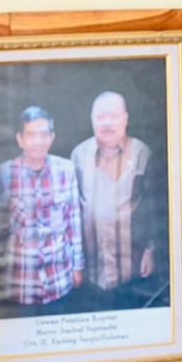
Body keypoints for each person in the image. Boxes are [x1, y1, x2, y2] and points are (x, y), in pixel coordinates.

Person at [71, 92, 165, 311]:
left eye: (113, 116)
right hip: (90, 273)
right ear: (92, 119)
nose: (107, 123)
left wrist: (151, 249)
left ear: (125, 118)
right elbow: (70, 210)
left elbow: (155, 207)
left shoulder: (143, 154)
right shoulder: (78, 156)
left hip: (132, 271)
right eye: (100, 117)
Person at [0, 106, 84, 311]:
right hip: (21, 281)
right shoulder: (5, 173)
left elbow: (74, 222)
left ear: (52, 138)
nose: (38, 141)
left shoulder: (66, 169)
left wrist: (77, 267)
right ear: (20, 139)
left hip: (59, 278)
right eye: (31, 135)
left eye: (44, 134)